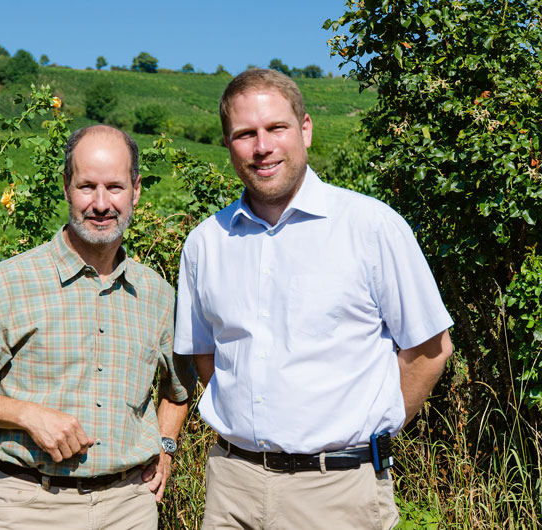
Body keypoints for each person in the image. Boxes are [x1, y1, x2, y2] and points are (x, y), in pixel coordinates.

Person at [174, 69, 454, 529]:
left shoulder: (371, 227)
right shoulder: (206, 243)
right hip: (231, 487)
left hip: (337, 491)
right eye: (245, 134)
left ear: (304, 129)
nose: (261, 147)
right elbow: (207, 356)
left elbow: (429, 348)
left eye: (275, 128)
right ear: (228, 145)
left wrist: (368, 432)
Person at [0, 124, 191, 530]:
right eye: (87, 186)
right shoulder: (6, 284)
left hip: (130, 507)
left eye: (115, 187)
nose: (102, 203)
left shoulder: (157, 295)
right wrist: (29, 415)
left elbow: (179, 391)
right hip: (31, 506)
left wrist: (166, 447)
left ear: (136, 190)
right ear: (66, 187)